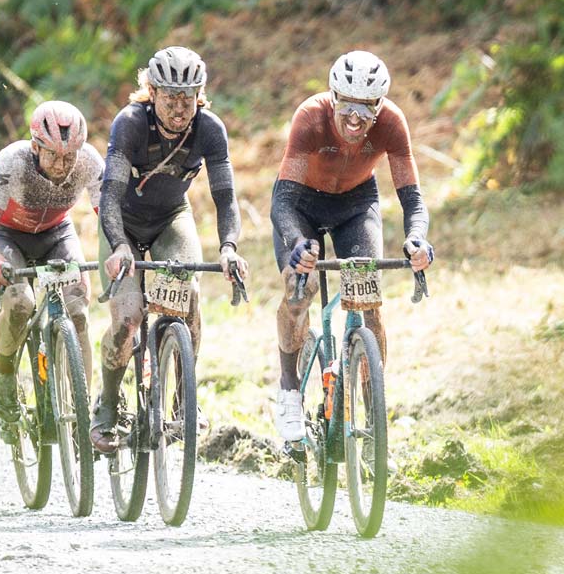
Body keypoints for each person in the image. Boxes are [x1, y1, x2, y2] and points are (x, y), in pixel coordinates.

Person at [267, 49, 433, 444]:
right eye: (348, 108)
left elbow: (413, 199)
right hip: (300, 203)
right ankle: (289, 389)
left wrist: (416, 238)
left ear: (379, 104)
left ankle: (373, 409)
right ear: (334, 98)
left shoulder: (392, 122)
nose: (356, 119)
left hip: (356, 205)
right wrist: (297, 243)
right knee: (300, 288)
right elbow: (283, 201)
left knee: (368, 295)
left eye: (366, 109)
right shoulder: (310, 117)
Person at [93, 45, 248, 449]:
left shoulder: (210, 130)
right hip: (122, 225)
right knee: (128, 320)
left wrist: (229, 246)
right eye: (169, 98)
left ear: (199, 96)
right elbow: (109, 195)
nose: (179, 109)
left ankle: (183, 403)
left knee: (188, 294)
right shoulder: (130, 124)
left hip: (169, 218)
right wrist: (118, 246)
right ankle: (107, 404)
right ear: (152, 92)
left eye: (188, 98)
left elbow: (225, 198)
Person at [0, 99, 103, 442]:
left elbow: (109, 218)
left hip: (57, 234)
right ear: (35, 147)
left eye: (69, 156)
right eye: (53, 156)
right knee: (20, 304)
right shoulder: (11, 162)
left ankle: (81, 407)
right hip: (9, 237)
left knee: (78, 308)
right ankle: (4, 373)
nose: (62, 165)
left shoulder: (89, 161)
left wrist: (120, 250)